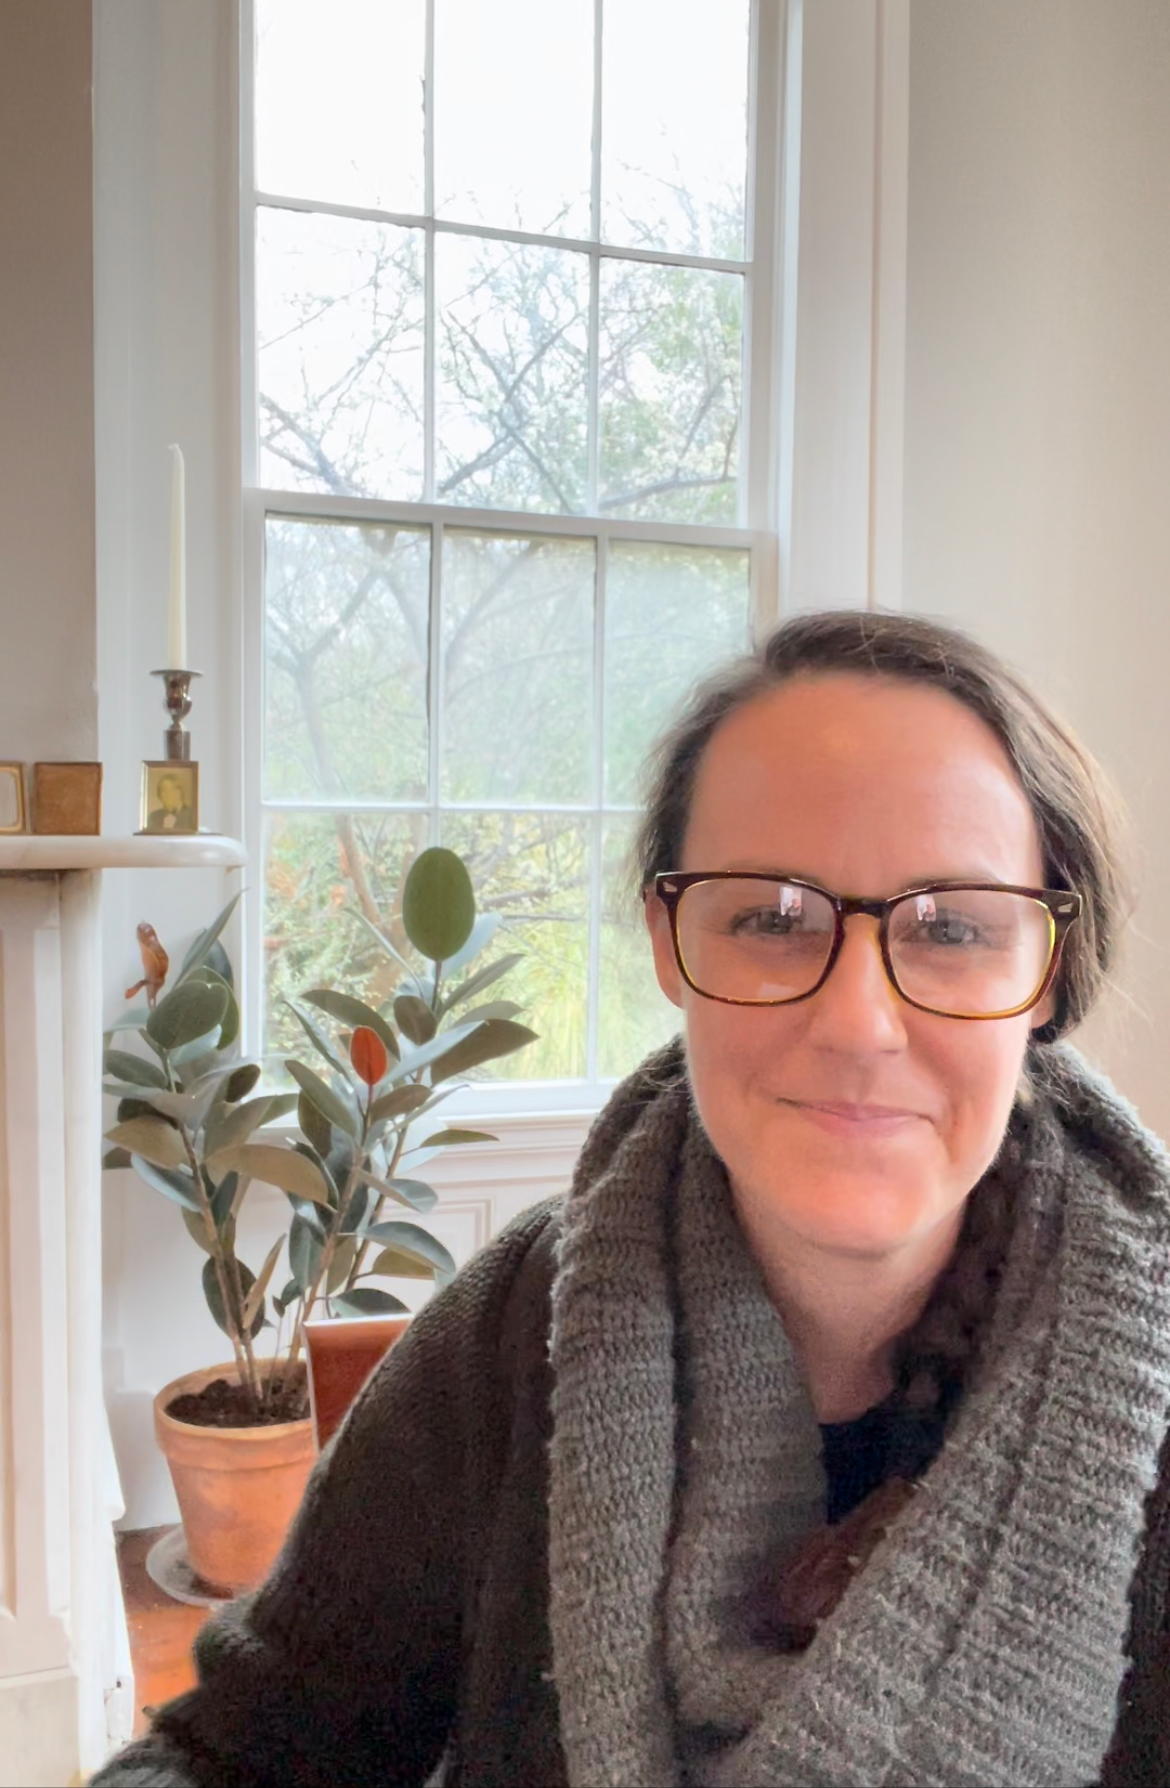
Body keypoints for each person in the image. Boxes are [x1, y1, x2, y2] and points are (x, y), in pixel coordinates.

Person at [96, 611, 1170, 1787]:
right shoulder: (515, 1328)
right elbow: (245, 1750)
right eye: (770, 918)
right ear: (668, 939)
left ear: (1046, 972)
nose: (862, 1023)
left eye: (955, 928)